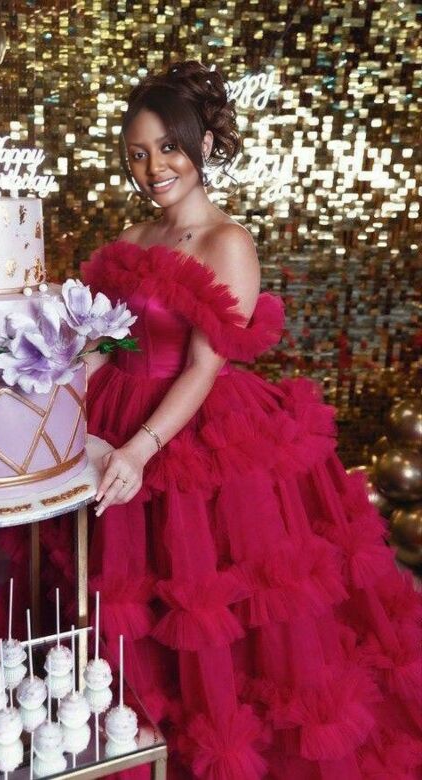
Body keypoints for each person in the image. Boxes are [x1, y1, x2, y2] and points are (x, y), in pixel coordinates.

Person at [66, 61, 422, 778]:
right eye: (137, 153)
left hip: (193, 432)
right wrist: (52, 398)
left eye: (168, 147)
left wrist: (139, 449)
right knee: (118, 593)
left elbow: (205, 367)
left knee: (208, 604)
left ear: (202, 145)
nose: (153, 168)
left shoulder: (228, 242)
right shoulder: (133, 235)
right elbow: (105, 345)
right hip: (116, 414)